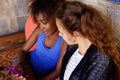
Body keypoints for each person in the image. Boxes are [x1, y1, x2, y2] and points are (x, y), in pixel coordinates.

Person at [55, 1, 120, 80]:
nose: (59, 34)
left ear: (76, 33)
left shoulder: (101, 61)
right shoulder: (73, 47)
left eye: (61, 32)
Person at [12, 0, 67, 80]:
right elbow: (23, 50)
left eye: (44, 22)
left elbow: (58, 71)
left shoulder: (64, 40)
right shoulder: (39, 30)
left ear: (57, 18)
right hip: (28, 65)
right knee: (16, 64)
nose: (41, 27)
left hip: (46, 75)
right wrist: (20, 64)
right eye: (38, 23)